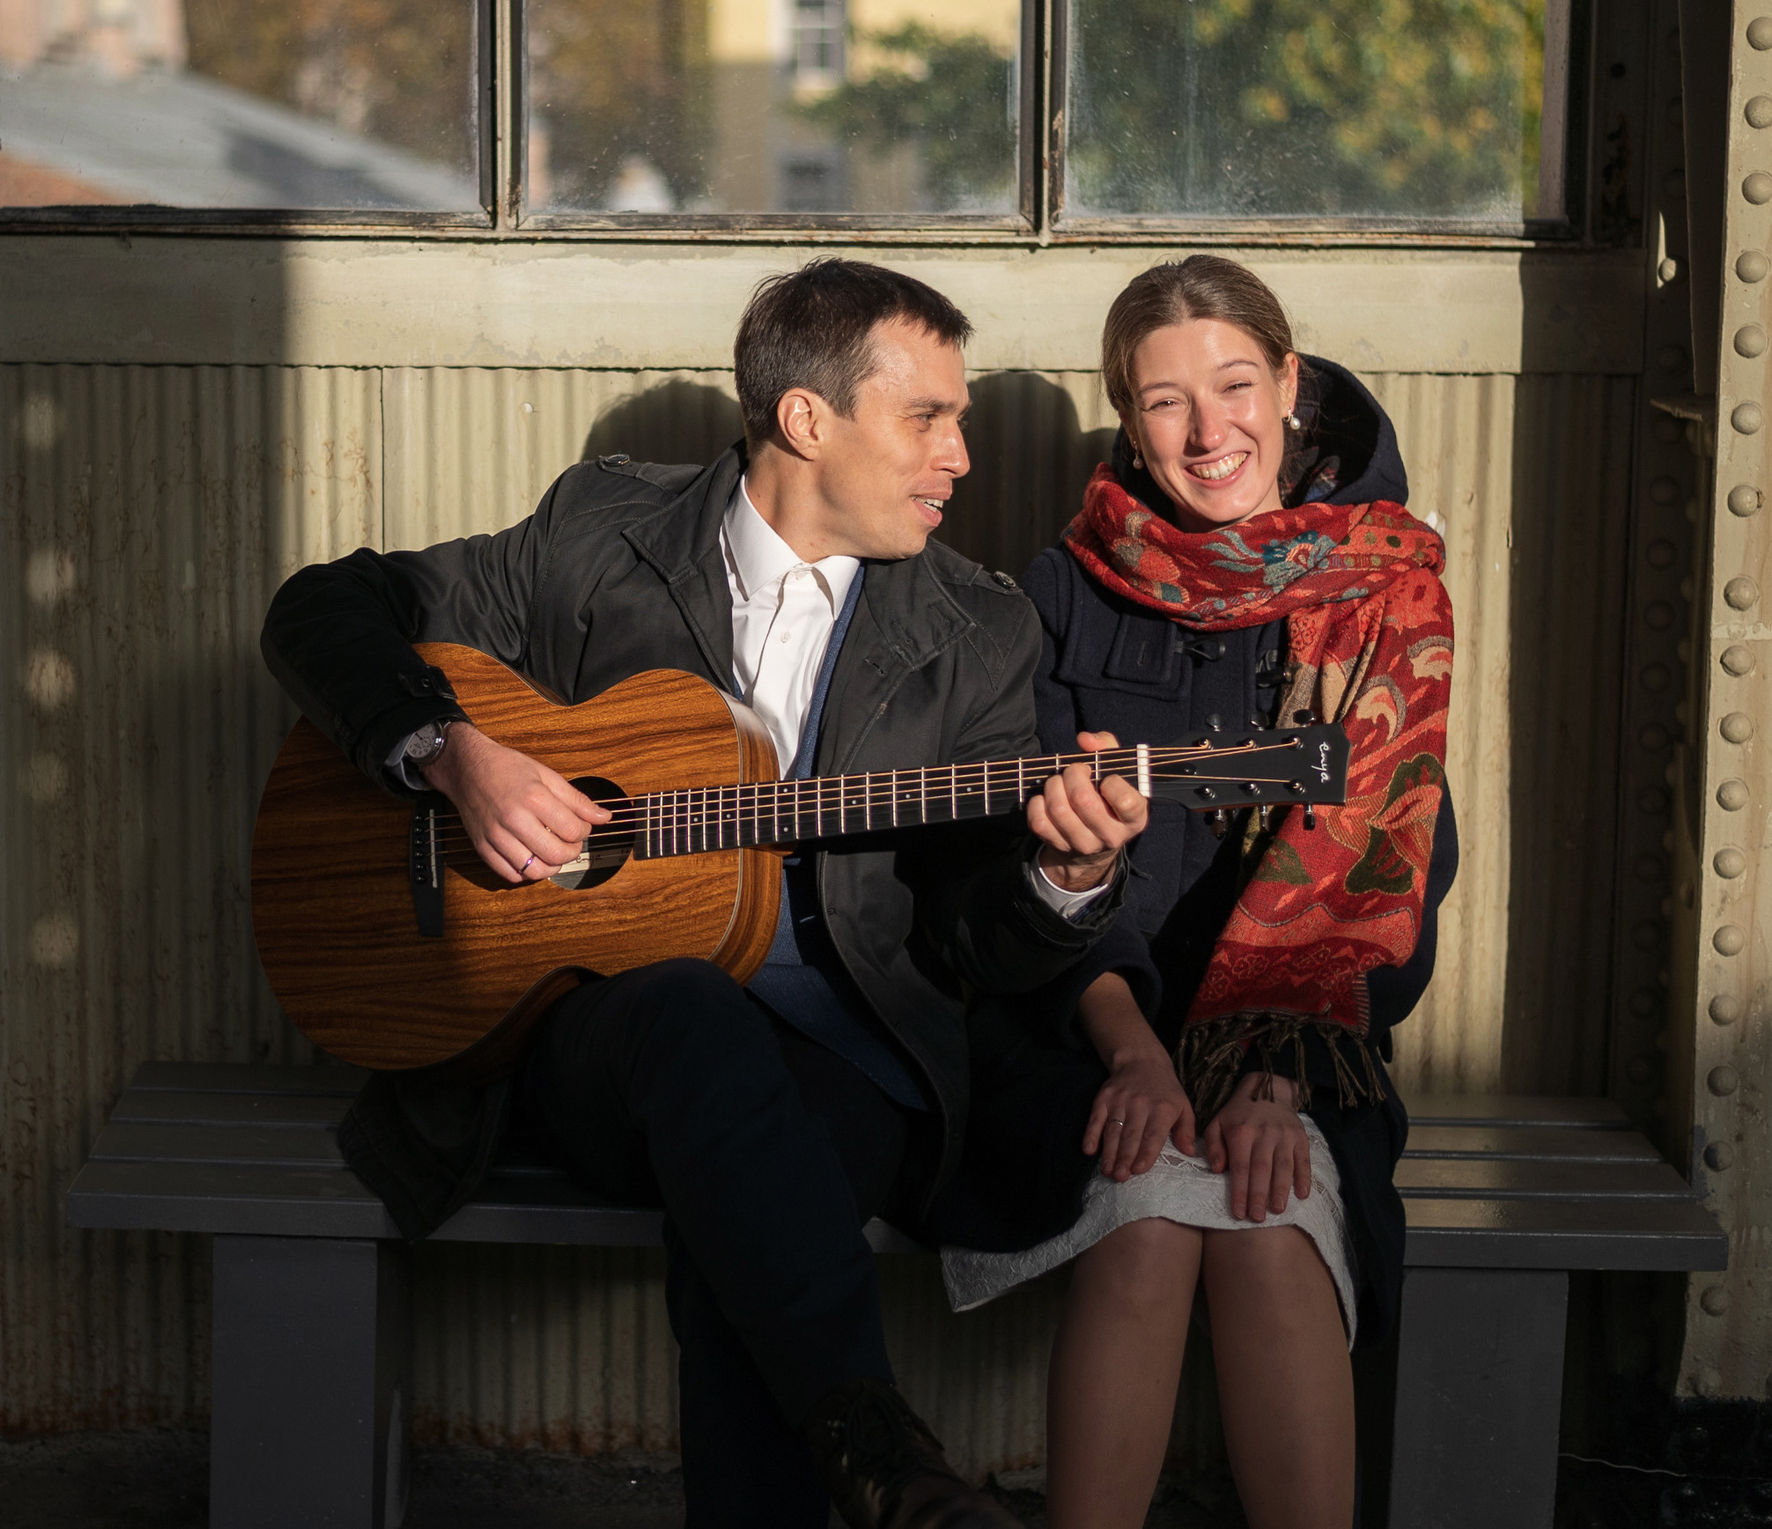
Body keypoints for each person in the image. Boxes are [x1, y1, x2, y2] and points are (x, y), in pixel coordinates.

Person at [260, 259, 1134, 1529]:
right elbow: (322, 609)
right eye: (928, 417)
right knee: (690, 1018)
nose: (960, 456)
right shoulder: (596, 539)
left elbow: (966, 936)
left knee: (763, 1209)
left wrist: (1066, 876)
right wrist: (451, 754)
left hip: (853, 1054)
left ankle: (874, 1457)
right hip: (599, 1038)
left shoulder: (975, 630)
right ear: (805, 420)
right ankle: (886, 1464)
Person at [929, 254, 1459, 1529]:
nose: (1208, 430)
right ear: (1127, 415)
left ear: (1287, 384)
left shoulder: (1388, 584)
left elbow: (1398, 868)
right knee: (1150, 1217)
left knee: (1270, 1223)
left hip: (1310, 1040)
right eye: (1164, 402)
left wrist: (1272, 1078)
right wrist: (1131, 1056)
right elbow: (1033, 867)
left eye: (1233, 385)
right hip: (1092, 1027)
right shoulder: (1068, 586)